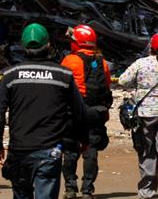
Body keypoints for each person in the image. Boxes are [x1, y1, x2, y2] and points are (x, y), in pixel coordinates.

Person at [0, 23, 97, 199]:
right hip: (51, 150)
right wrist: (84, 140)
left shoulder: (10, 75)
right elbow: (80, 112)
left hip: (19, 150)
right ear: (48, 45)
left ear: (23, 47)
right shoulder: (62, 75)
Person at [118, 33, 158, 199]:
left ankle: (147, 191)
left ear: (151, 47)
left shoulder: (141, 63)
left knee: (147, 152)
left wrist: (138, 84)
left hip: (144, 115)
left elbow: (123, 81)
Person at [60, 25, 113, 199]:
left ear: (78, 43)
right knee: (90, 150)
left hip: (74, 112)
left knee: (70, 150)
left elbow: (61, 88)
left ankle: (70, 188)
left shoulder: (69, 61)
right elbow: (107, 87)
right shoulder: (102, 62)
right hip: (95, 112)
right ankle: (88, 190)